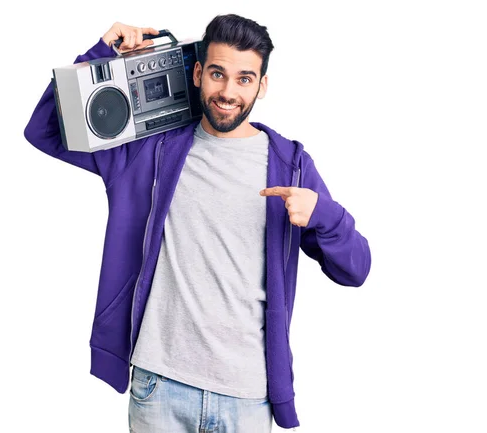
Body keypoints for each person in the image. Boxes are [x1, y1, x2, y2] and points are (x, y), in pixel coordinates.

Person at [24, 14, 371, 432]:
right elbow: (43, 130)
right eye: (217, 74)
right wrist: (100, 57)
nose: (228, 92)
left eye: (244, 79)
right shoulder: (148, 151)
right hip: (159, 386)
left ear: (262, 85)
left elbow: (356, 269)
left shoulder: (290, 164)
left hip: (247, 396)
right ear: (197, 73)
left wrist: (324, 216)